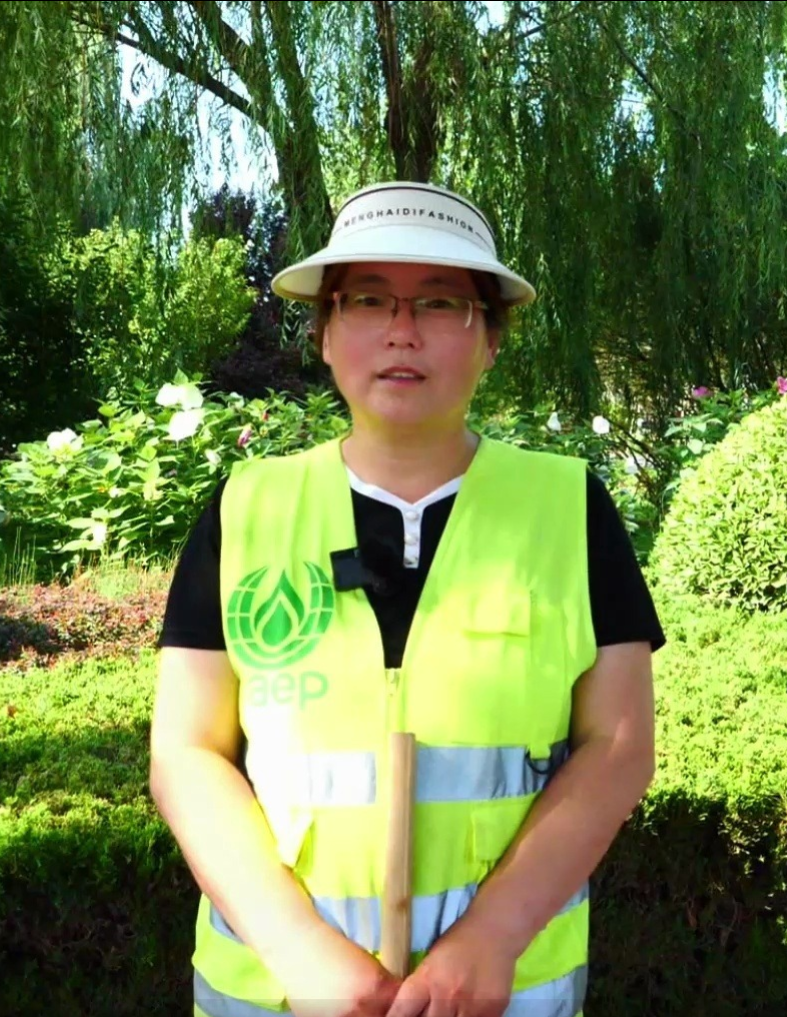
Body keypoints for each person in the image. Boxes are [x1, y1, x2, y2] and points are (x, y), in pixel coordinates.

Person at [150, 180, 663, 1017]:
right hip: (277, 996)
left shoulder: (570, 509)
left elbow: (619, 745)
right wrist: (298, 951)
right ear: (324, 333)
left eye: (440, 301)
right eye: (367, 300)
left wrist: (493, 938)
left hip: (501, 995)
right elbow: (185, 751)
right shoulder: (247, 509)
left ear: (490, 338)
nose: (402, 329)